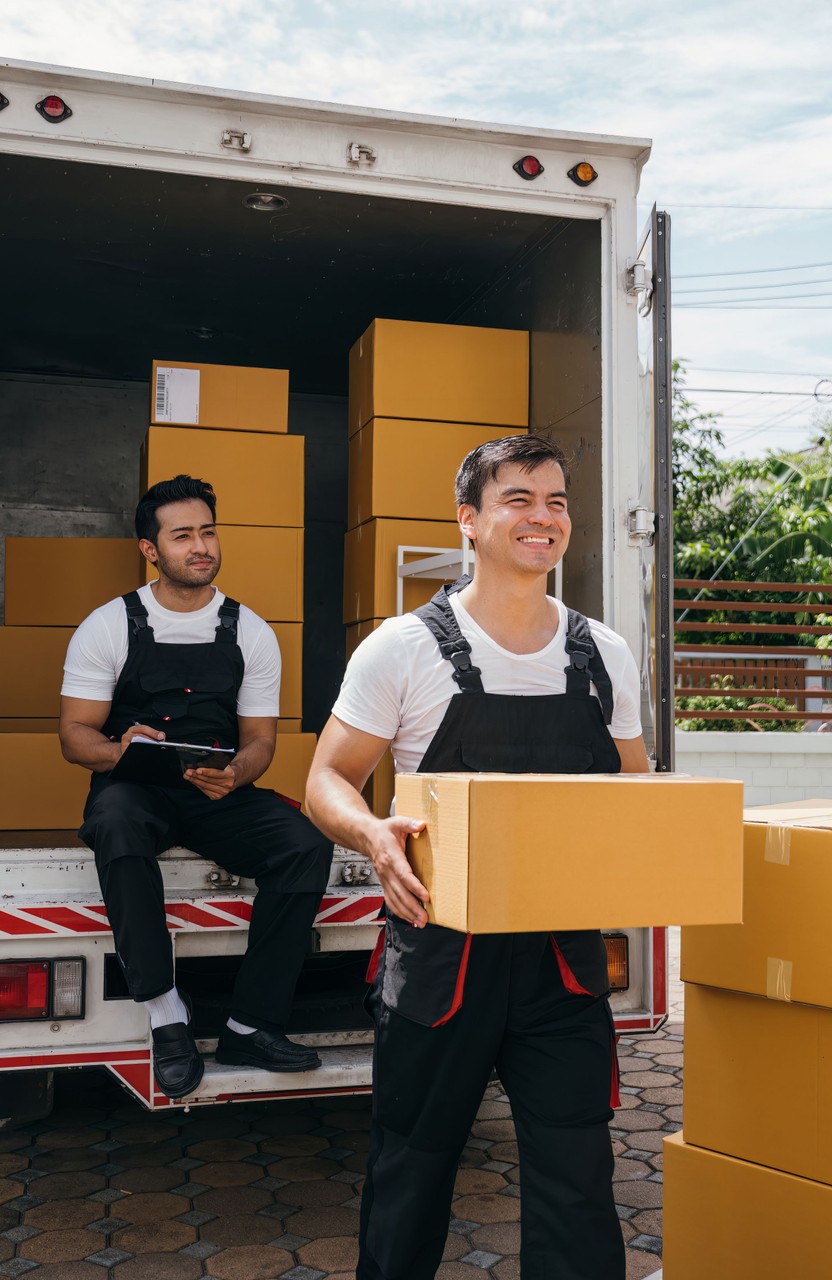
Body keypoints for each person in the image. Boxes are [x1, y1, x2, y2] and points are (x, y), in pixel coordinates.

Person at [305, 435, 649, 1280]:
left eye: (557, 502)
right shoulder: (403, 648)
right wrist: (372, 833)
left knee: (577, 1176)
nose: (543, 518)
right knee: (411, 1169)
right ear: (469, 520)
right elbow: (327, 780)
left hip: (562, 961)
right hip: (440, 959)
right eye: (519, 500)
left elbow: (637, 794)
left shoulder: (603, 654)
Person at [59, 474, 332, 1099]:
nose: (200, 545)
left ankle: (250, 1023)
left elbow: (261, 738)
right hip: (135, 788)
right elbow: (74, 735)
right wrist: (118, 751)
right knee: (116, 823)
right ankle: (166, 1015)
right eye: (182, 535)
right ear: (150, 549)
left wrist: (239, 773)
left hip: (215, 790)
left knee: (305, 844)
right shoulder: (109, 626)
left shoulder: (251, 631)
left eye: (207, 531)